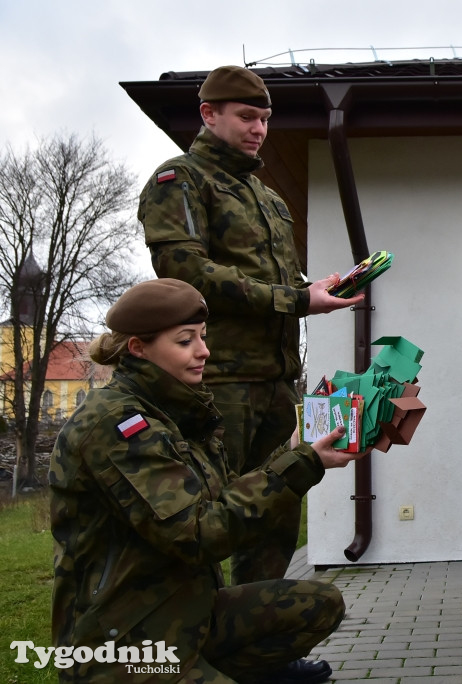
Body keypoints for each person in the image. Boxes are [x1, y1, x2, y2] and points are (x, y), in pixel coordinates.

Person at [49, 279, 367, 684]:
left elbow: (224, 497)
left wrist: (292, 452)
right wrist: (302, 464)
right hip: (125, 641)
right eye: (185, 341)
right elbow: (199, 534)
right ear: (138, 348)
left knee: (318, 604)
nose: (204, 351)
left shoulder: (172, 410)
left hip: (186, 613)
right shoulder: (117, 424)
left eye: (202, 337)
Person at [137, 66, 364, 604]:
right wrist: (295, 299)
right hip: (216, 382)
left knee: (277, 512)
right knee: (208, 516)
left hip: (278, 383)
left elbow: (272, 283)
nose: (258, 128)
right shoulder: (181, 180)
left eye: (264, 118)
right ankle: (196, 646)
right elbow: (186, 275)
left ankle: (260, 652)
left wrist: (313, 289)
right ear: (208, 114)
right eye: (246, 116)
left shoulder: (268, 198)